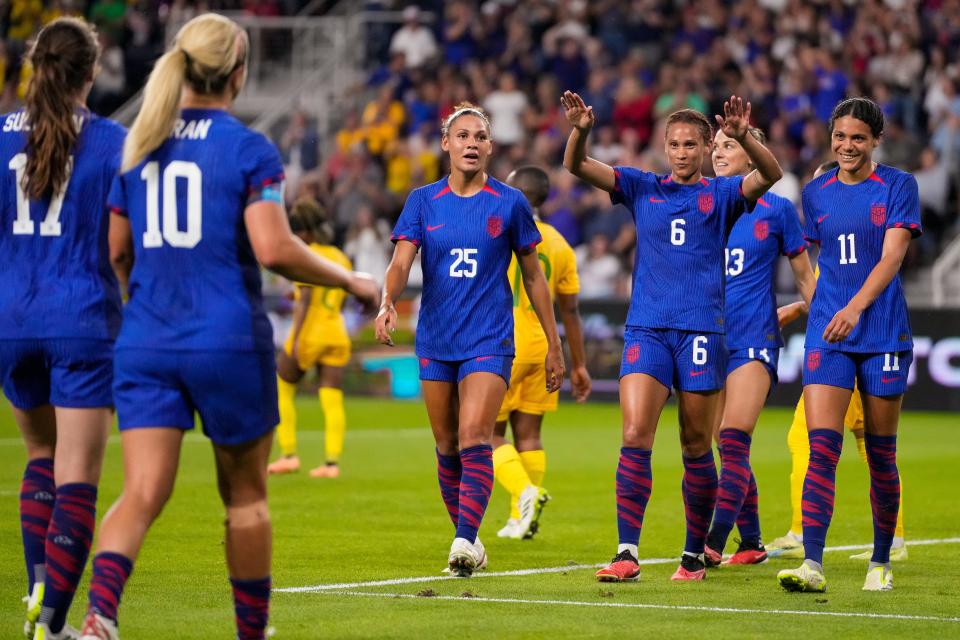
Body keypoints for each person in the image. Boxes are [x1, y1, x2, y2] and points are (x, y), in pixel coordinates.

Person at [76, 14, 378, 640]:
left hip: (147, 341)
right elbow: (272, 249)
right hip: (227, 340)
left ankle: (99, 618)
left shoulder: (138, 144)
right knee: (244, 499)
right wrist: (350, 280)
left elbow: (116, 252)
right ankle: (252, 632)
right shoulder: (248, 148)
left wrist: (149, 305)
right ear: (239, 73)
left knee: (140, 494)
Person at [560, 91, 783, 582]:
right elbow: (576, 166)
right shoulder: (642, 187)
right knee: (635, 434)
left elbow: (771, 175)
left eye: (690, 145)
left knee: (695, 446)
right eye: (674, 144)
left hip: (703, 330)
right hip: (647, 328)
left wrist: (744, 135)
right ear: (664, 146)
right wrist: (580, 130)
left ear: (706, 148)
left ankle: (691, 555)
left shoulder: (723, 195)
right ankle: (625, 553)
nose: (682, 152)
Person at [375, 103, 564, 577]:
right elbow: (401, 263)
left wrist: (553, 341)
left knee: (475, 435)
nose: (471, 144)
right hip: (437, 338)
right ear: (446, 144)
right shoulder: (422, 200)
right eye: (462, 136)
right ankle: (472, 539)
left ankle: (461, 539)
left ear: (490, 147)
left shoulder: (510, 202)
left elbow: (535, 278)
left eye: (480, 136)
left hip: (490, 338)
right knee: (446, 445)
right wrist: (387, 302)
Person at [0, 18, 124, 640]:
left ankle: (35, 601)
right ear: (91, 72)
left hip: (10, 321)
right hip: (81, 318)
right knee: (77, 476)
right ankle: (51, 625)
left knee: (39, 458)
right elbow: (126, 243)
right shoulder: (111, 142)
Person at [776, 97, 921, 594]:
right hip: (828, 333)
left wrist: (855, 307)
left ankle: (881, 560)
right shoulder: (816, 193)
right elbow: (822, 262)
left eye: (858, 138)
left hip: (880, 330)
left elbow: (891, 257)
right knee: (822, 449)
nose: (847, 146)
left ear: (875, 140)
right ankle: (812, 564)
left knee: (880, 454)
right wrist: (810, 307)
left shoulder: (899, 186)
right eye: (840, 137)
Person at [702, 127, 815, 567]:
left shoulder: (778, 210)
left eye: (729, 145)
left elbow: (806, 278)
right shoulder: (700, 205)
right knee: (719, 443)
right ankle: (751, 543)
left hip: (753, 337)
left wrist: (814, 315)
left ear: (753, 156)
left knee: (733, 439)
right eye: (716, 147)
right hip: (709, 339)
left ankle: (710, 542)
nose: (718, 153)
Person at [491, 166, 592, 540]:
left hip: (500, 344)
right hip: (543, 347)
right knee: (529, 436)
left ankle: (525, 493)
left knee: (485, 434)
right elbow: (571, 311)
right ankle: (520, 519)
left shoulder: (499, 232)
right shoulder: (560, 244)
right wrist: (578, 364)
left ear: (515, 193)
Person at [267, 197, 354, 479]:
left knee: (282, 387)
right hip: (336, 332)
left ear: (303, 231)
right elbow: (340, 298)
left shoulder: (305, 254)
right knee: (331, 399)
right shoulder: (340, 256)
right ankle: (332, 463)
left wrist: (294, 340)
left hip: (311, 333)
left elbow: (305, 299)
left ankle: (289, 454)